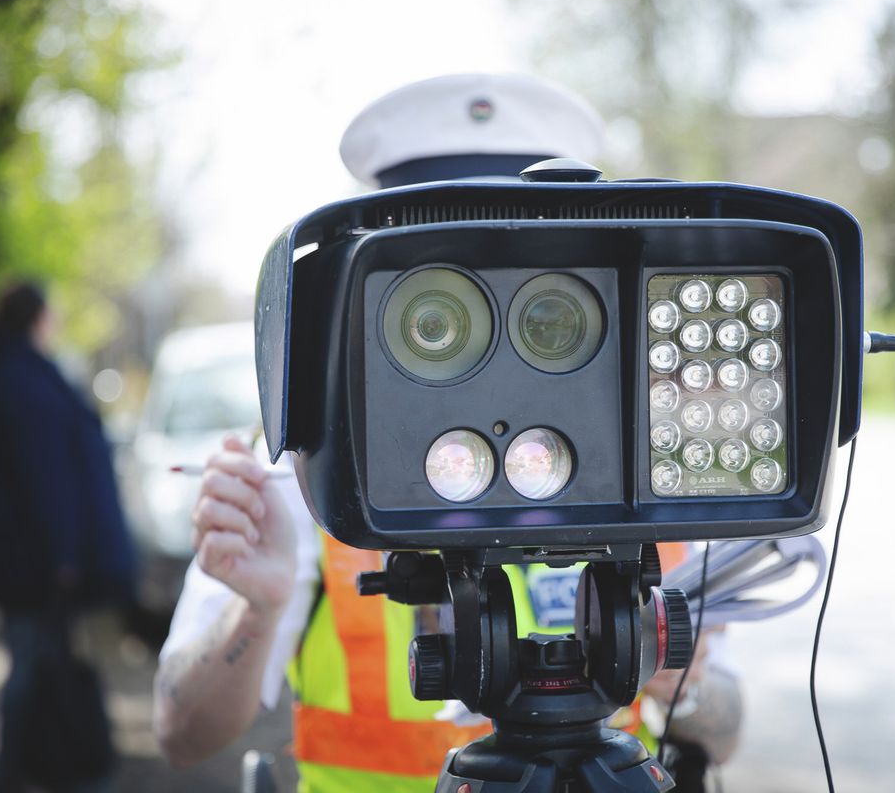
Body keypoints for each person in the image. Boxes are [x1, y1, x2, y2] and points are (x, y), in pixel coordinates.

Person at [152, 74, 741, 792]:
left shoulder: (651, 441)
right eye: (440, 299)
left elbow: (727, 731)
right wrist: (260, 603)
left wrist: (682, 681)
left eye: (534, 283)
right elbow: (182, 733)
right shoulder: (312, 461)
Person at [0, 281, 137, 792]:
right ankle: (21, 768)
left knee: (30, 657)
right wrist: (64, 555)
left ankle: (30, 763)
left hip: (20, 560)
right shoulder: (23, 379)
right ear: (37, 319)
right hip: (35, 563)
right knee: (32, 660)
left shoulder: (3, 373)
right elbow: (46, 475)